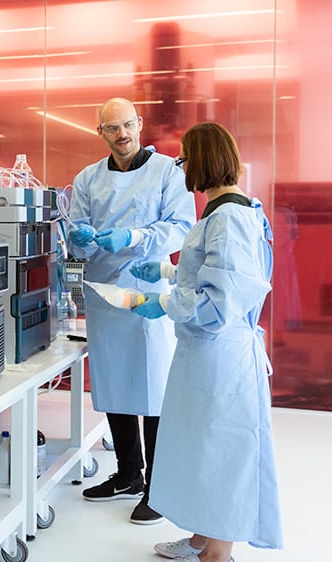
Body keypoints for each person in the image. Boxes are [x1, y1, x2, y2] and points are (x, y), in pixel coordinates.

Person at [129, 122, 282, 561]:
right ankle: (200, 535)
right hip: (203, 354)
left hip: (221, 354)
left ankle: (218, 552)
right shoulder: (220, 212)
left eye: (184, 159)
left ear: (204, 161)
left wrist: (163, 303)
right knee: (198, 443)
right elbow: (209, 273)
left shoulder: (231, 216)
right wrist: (165, 274)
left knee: (220, 451)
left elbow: (218, 303)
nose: (182, 168)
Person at [67, 97, 196, 524]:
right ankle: (127, 474)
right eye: (111, 128)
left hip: (149, 294)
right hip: (105, 295)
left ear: (139, 124)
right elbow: (77, 237)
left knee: (155, 390)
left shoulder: (167, 171)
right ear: (100, 132)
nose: (121, 134)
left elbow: (180, 228)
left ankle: (159, 488)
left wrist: (134, 237)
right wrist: (84, 239)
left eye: (127, 125)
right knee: (116, 385)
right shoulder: (88, 178)